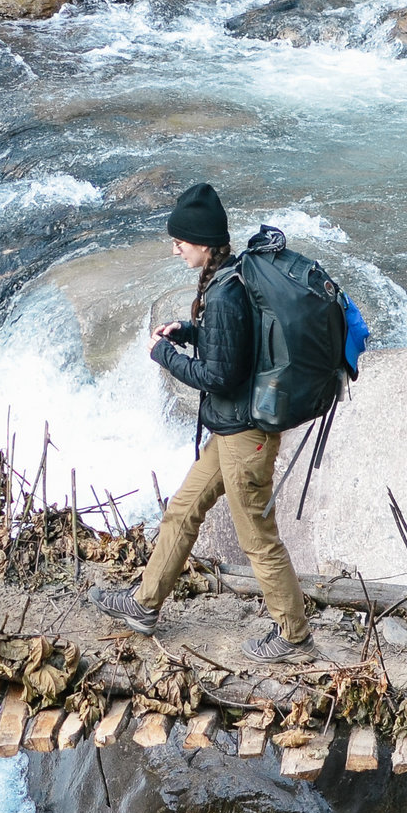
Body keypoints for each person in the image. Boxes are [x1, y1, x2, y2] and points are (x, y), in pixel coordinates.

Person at [91, 182, 313, 665]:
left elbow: (219, 376)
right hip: (232, 429)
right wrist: (188, 331)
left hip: (246, 437)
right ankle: (144, 604)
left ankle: (294, 636)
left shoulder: (226, 292)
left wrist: (165, 355)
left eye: (180, 241)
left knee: (257, 538)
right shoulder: (229, 277)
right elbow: (235, 345)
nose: (175, 249)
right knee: (182, 510)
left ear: (204, 243)